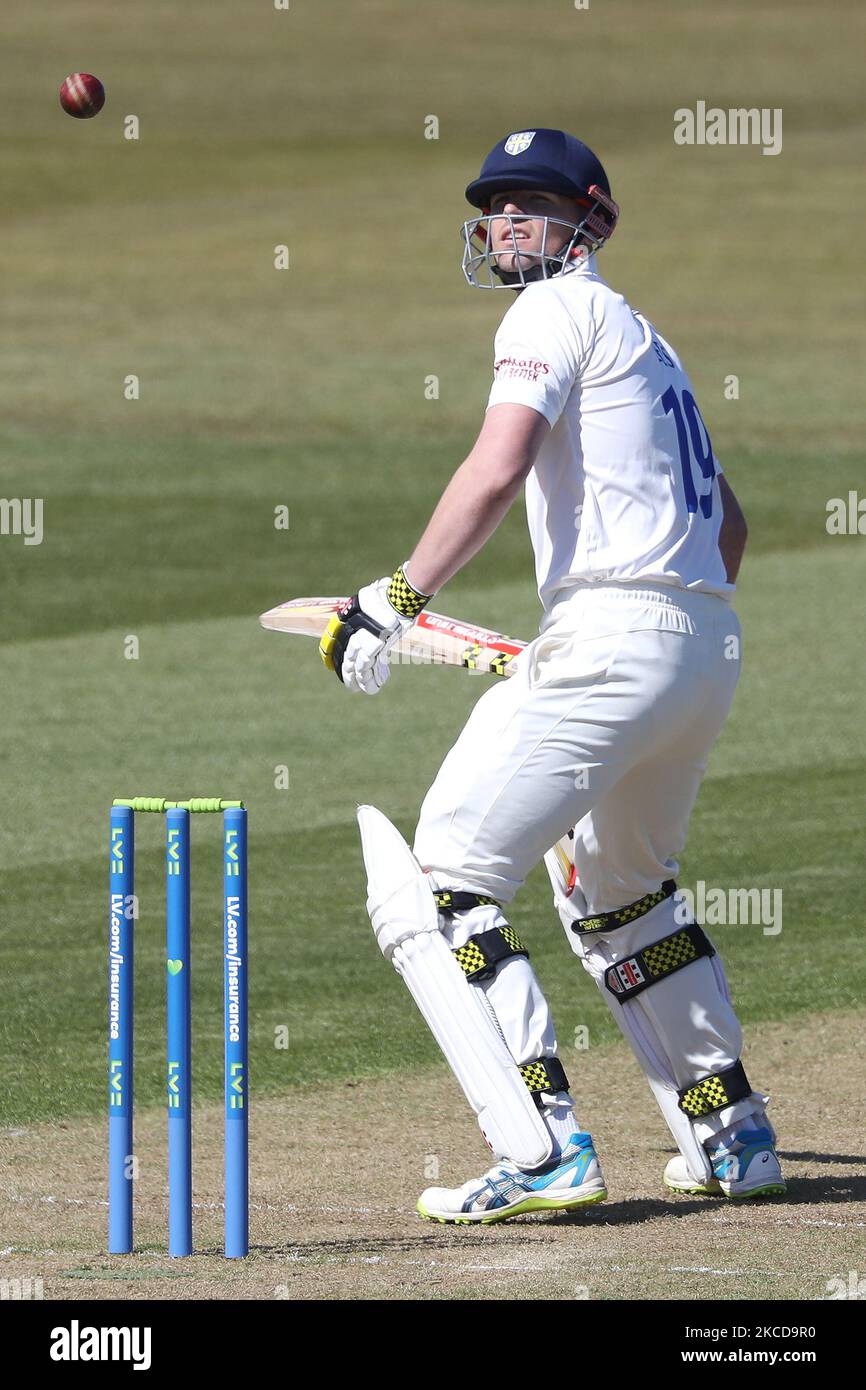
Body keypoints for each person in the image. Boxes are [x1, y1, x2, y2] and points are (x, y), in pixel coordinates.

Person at [320, 128, 786, 1223]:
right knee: (624, 894)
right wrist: (640, 628)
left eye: (533, 204)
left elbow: (495, 469)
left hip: (613, 641)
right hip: (697, 646)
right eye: (495, 205)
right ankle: (732, 1137)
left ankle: (540, 1150)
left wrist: (389, 602)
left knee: (441, 886)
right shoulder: (650, 343)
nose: (507, 222)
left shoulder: (547, 310)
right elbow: (731, 529)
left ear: (591, 222)